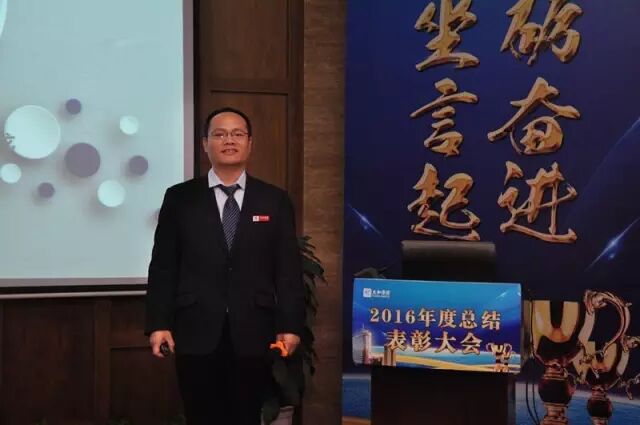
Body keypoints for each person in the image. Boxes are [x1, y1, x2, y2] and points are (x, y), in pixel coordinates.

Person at [145, 107, 304, 425]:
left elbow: (287, 268)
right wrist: (159, 323)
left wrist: (290, 325)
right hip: (195, 330)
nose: (229, 140)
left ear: (250, 143)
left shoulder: (274, 200)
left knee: (246, 416)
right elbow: (163, 266)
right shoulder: (180, 198)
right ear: (205, 144)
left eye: (237, 134)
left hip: (253, 331)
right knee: (201, 415)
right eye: (219, 134)